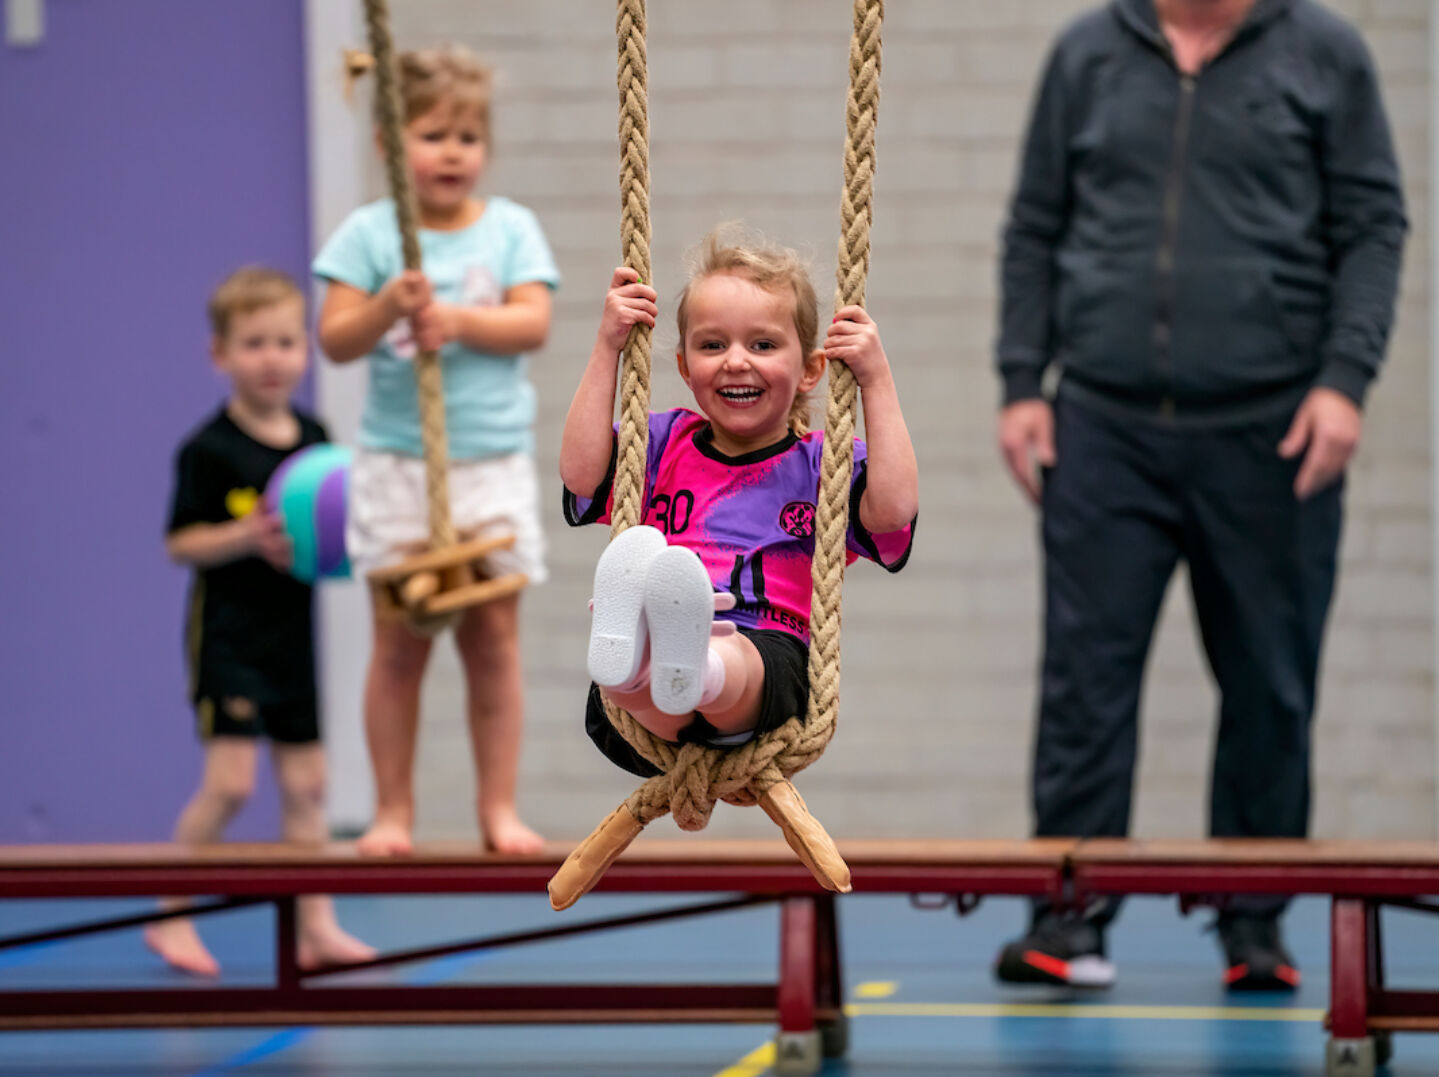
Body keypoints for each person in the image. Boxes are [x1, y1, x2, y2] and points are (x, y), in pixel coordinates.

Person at [993, 0, 1406, 990]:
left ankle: (1253, 929)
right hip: (1100, 423)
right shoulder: (1085, 53)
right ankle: (1069, 918)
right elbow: (1033, 225)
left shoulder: (1324, 54)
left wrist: (1343, 383)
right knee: (1082, 686)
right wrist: (1019, 384)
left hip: (1271, 431)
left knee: (1269, 683)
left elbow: (1371, 226)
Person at [314, 46, 559, 856]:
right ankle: (392, 811)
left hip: (487, 463)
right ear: (389, 143)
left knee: (492, 640)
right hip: (400, 464)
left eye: (467, 136)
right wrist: (390, 301)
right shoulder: (372, 235)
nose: (452, 151)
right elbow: (336, 339)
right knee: (399, 644)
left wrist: (454, 321)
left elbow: (532, 321)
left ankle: (498, 808)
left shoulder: (510, 228)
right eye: (431, 134)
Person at [559, 228, 917, 767]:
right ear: (684, 367)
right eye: (712, 344)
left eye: (763, 344)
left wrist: (875, 379)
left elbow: (892, 511)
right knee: (634, 683)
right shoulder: (660, 444)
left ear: (811, 370)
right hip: (649, 703)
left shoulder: (823, 463)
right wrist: (608, 347)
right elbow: (582, 476)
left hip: (769, 655)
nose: (735, 361)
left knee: (735, 660)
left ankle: (694, 665)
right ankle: (639, 662)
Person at [150, 267, 375, 977]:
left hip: (291, 640)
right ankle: (171, 913)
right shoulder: (208, 448)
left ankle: (316, 924)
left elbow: (332, 521)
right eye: (253, 344)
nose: (271, 357)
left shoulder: (315, 434)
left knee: (309, 785)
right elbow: (179, 542)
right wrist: (244, 535)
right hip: (228, 640)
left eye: (284, 341)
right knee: (232, 784)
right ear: (221, 354)